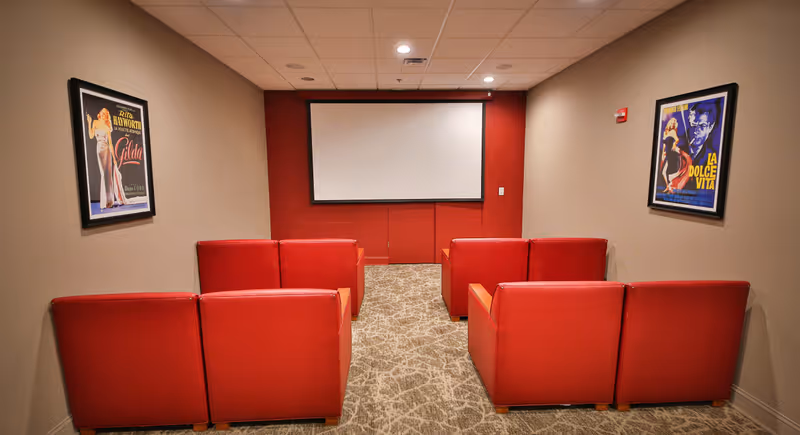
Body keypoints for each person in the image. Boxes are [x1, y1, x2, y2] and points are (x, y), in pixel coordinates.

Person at [87, 108, 128, 209]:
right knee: (103, 173)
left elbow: (110, 144)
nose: (104, 114)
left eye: (106, 113)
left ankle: (109, 201)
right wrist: (89, 123)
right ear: (99, 113)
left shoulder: (107, 126)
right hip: (99, 149)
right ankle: (106, 201)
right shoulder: (95, 122)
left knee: (107, 175)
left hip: (107, 150)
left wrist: (114, 158)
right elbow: (91, 135)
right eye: (103, 112)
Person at [660, 117, 692, 194]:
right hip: (667, 153)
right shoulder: (666, 132)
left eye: (674, 123)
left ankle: (670, 186)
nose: (673, 124)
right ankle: (668, 186)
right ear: (669, 123)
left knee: (666, 171)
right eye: (672, 122)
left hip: (671, 153)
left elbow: (677, 140)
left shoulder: (673, 132)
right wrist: (662, 154)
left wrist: (674, 145)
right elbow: (664, 144)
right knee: (664, 172)